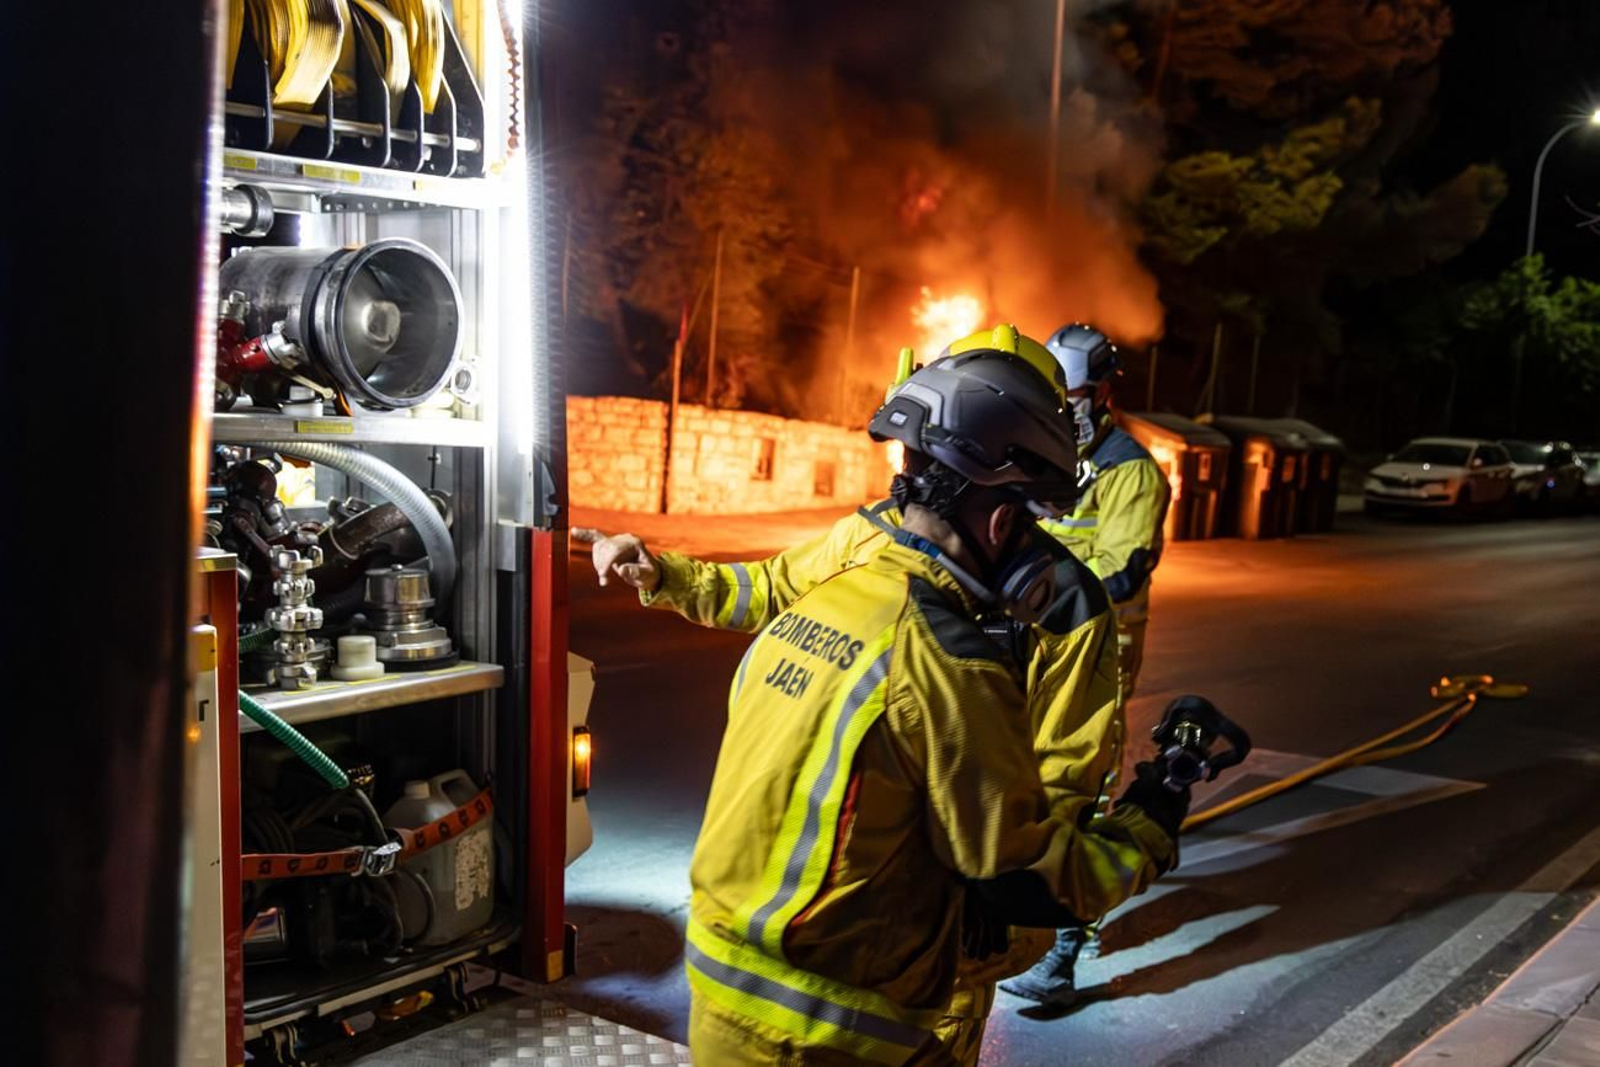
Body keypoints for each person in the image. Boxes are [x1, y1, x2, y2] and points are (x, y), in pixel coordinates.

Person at [577, 325, 1128, 1045]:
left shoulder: (1067, 608)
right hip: (865, 969)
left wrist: (992, 931)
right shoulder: (874, 539)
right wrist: (663, 573)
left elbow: (1058, 793)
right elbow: (772, 588)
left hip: (949, 943)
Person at [996, 324, 1173, 1007]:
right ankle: (1017, 917)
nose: (1060, 406)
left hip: (1096, 661)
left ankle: (1063, 955)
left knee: (1077, 795)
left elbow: (1125, 570)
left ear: (1100, 392)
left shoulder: (1129, 469)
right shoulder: (1038, 452)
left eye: (1069, 394)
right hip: (1031, 651)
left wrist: (1035, 585)